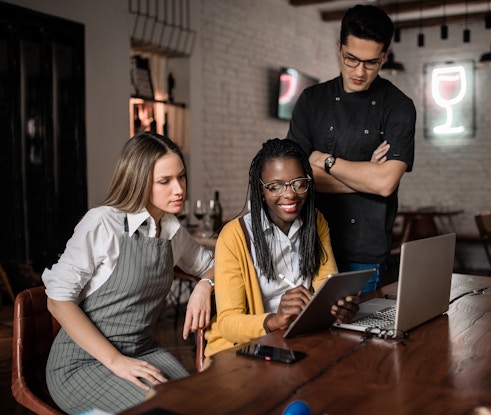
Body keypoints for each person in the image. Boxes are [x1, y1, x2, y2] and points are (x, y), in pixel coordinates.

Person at [42, 132, 215, 414]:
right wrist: (115, 360)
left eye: (181, 177)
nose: (179, 189)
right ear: (139, 181)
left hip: (142, 349)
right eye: (165, 181)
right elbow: (57, 301)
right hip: (83, 362)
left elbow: (214, 264)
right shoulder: (102, 223)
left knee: (200, 403)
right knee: (166, 410)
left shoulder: (171, 229)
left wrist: (204, 285)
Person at [287, 4, 416, 294]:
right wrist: (364, 175)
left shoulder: (399, 106)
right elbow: (294, 180)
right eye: (351, 59)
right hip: (307, 247)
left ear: (384, 56)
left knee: (359, 338)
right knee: (304, 338)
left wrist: (325, 161)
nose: (359, 71)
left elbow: (384, 183)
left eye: (371, 63)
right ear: (339, 48)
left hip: (364, 253)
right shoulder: (311, 101)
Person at [204, 138, 359, 359]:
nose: (290, 194)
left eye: (298, 183)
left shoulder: (316, 222)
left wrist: (337, 307)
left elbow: (327, 284)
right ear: (261, 189)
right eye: (275, 186)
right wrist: (274, 320)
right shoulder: (234, 236)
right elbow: (228, 324)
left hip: (297, 339)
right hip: (242, 350)